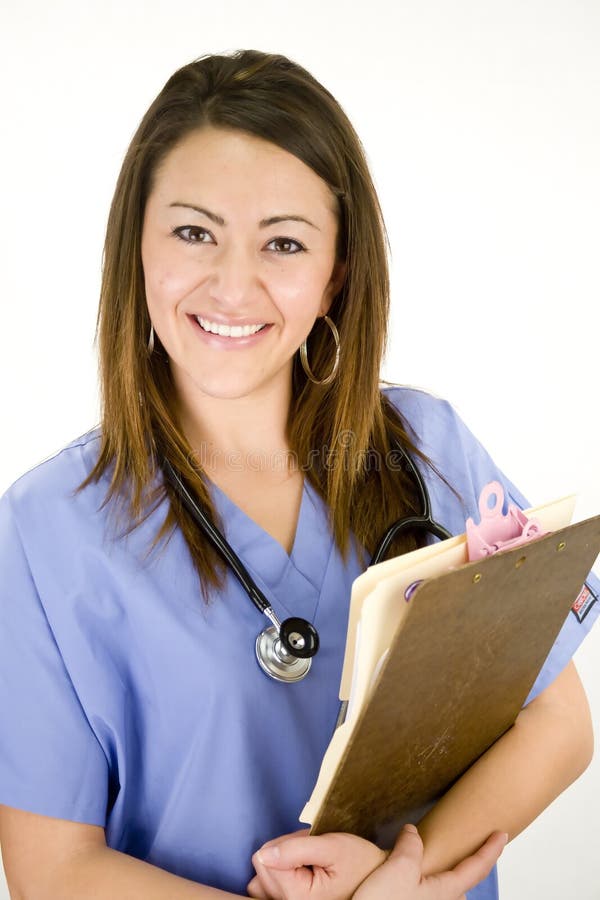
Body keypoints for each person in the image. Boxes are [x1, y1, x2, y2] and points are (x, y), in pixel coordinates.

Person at [0, 49, 597, 900]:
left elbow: (559, 721)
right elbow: (50, 869)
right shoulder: (47, 529)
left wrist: (404, 877)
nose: (233, 285)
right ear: (136, 244)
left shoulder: (425, 449)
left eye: (283, 242)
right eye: (194, 232)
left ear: (335, 274)